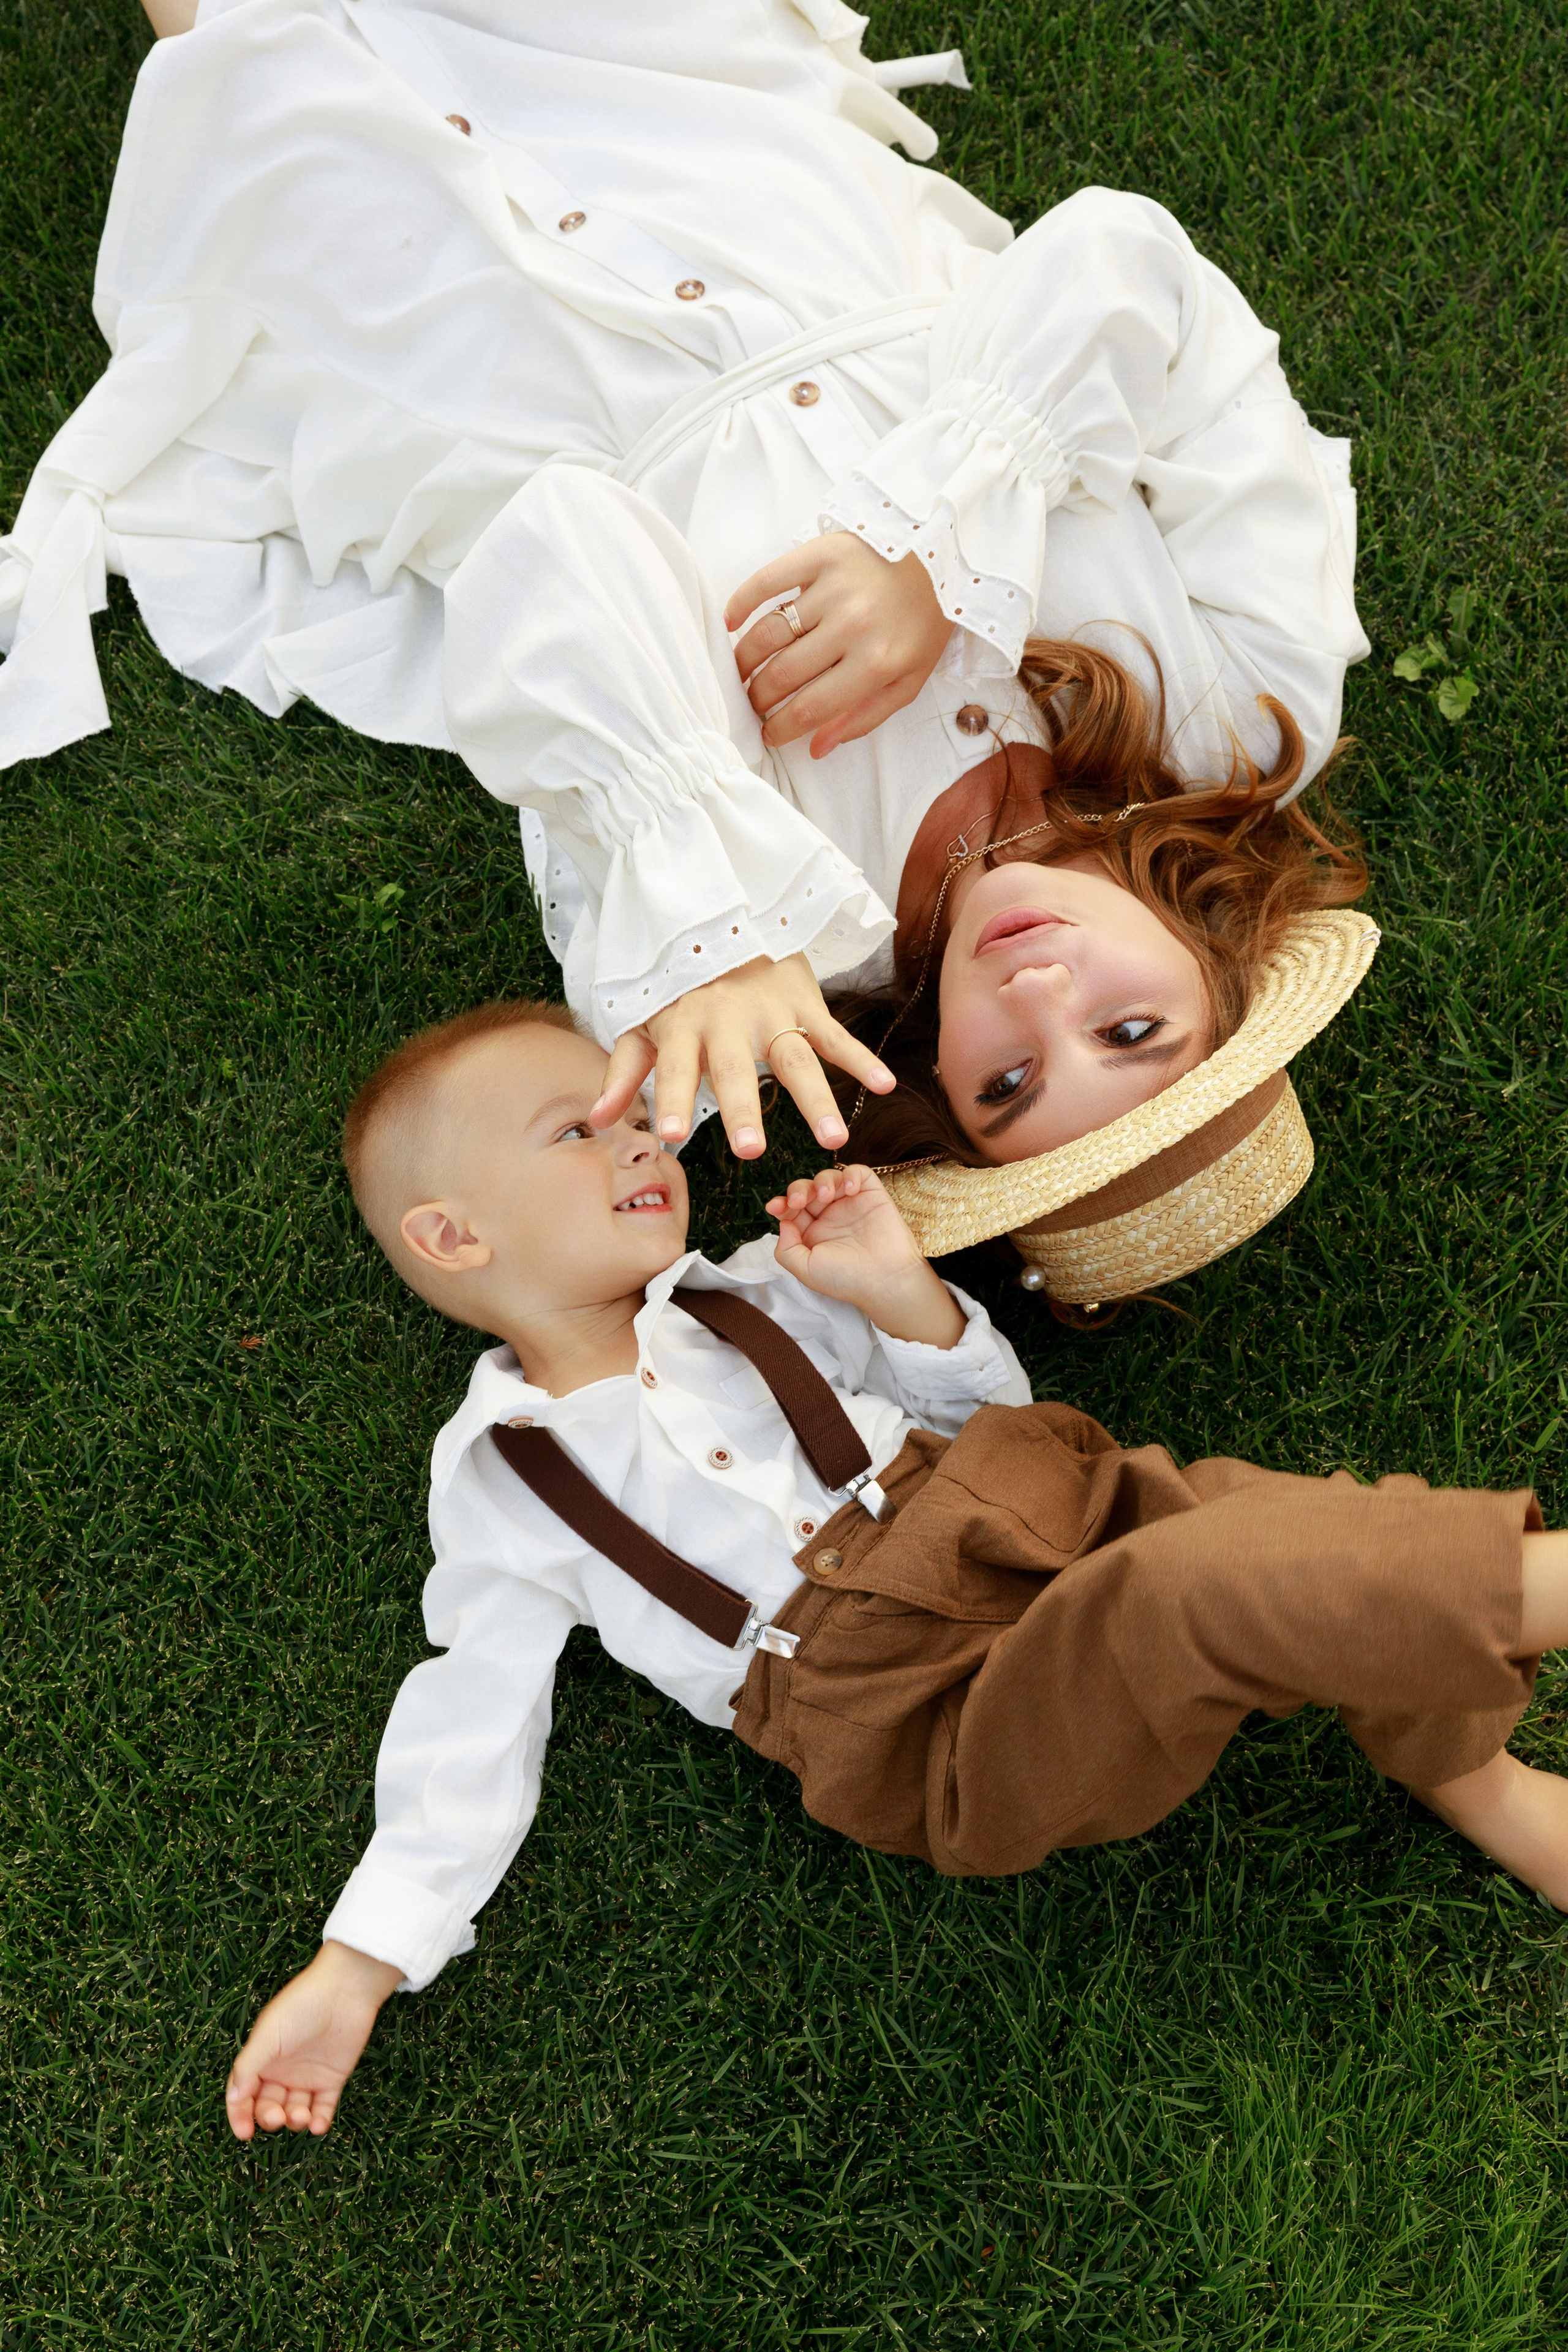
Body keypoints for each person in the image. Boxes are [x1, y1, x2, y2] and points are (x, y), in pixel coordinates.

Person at [2, 7, 1369, 1254]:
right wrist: (928, 544)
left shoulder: (759, 953)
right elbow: (1123, 264)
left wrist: (718, 921)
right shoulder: (1246, 713)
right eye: (1130, 1029)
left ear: (938, 1095)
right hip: (753, 185)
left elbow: (545, 549)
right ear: (1223, 965)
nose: (1037, 995)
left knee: (272, 73)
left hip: (497, 348)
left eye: (1005, 1083)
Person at [227, 999, 1566, 2139]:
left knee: (1280, 1529)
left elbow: (984, 1407)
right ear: (453, 1238)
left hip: (1040, 1515)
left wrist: (894, 1292)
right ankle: (1538, 1590)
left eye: (640, 1115)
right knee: (1200, 1586)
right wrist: (358, 1968)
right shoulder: (505, 1482)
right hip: (928, 1710)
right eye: (577, 1132)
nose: (638, 1137)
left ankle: (1468, 1772)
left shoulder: (763, 1285)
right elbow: (472, 1717)